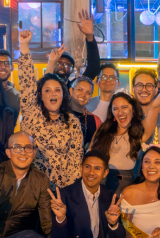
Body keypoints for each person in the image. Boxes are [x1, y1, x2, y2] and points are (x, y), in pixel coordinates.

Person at [17, 29, 83, 189]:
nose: (53, 93)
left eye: (57, 90)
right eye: (47, 90)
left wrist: (69, 193)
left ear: (63, 95)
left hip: (61, 191)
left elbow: (75, 161)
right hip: (31, 188)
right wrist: (24, 45)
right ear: (40, 95)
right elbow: (27, 81)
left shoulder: (72, 122)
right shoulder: (32, 113)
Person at [89, 90, 160, 193]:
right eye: (115, 109)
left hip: (123, 182)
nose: (120, 112)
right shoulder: (103, 130)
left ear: (133, 110)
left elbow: (155, 106)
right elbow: (89, 153)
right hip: (98, 179)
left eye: (124, 107)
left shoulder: (138, 133)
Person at [45, 10, 102, 86]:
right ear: (54, 66)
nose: (62, 66)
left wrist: (89, 36)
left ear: (72, 70)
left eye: (66, 65)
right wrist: (51, 62)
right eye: (58, 63)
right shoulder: (45, 87)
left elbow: (93, 68)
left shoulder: (75, 87)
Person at [70, 75, 101, 147]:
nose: (83, 94)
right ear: (71, 91)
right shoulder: (58, 115)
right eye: (80, 90)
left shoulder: (95, 120)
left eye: (88, 93)